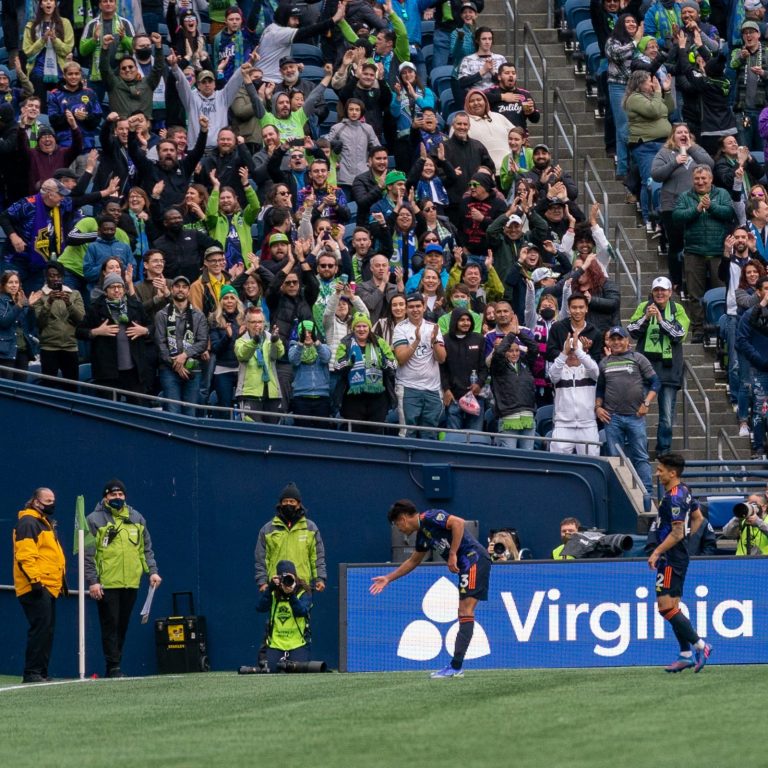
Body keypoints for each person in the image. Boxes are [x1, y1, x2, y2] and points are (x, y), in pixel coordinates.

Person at [370, 499, 492, 678]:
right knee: (464, 611)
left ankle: (456, 667)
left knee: (466, 611)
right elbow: (413, 561)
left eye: (397, 525)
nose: (399, 529)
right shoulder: (423, 535)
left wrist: (452, 554)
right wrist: (388, 578)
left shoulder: (431, 516)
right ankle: (456, 666)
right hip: (468, 563)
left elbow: (458, 523)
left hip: (473, 559)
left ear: (403, 519)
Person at [84, 478, 161, 678]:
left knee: (122, 625)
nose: (117, 498)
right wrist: (93, 581)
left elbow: (146, 549)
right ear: (105, 497)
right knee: (110, 625)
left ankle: (115, 664)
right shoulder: (93, 519)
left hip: (130, 582)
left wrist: (152, 571)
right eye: (113, 495)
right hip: (107, 583)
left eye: (120, 495)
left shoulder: (137, 518)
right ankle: (113, 667)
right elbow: (87, 554)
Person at [648, 453, 712, 673]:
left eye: (660, 470)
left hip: (670, 558)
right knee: (673, 608)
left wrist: (658, 551)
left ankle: (700, 646)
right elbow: (698, 518)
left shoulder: (674, 497)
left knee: (665, 608)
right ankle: (685, 655)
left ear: (672, 473)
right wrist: (686, 542)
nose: (657, 473)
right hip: (677, 555)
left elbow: (676, 532)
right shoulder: (684, 490)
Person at [627, 276, 690, 456]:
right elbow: (631, 331)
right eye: (656, 290)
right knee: (638, 412)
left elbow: (679, 334)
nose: (660, 293)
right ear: (652, 292)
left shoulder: (678, 309)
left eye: (663, 290)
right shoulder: (643, 307)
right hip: (645, 369)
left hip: (669, 370)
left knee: (667, 418)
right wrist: (647, 317)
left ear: (670, 293)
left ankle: (663, 450)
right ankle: (639, 449)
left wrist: (661, 321)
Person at [672, 164, 735, 342]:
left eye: (703, 178)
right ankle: (698, 329)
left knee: (721, 292)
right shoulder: (685, 196)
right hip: (694, 251)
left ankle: (719, 327)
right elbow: (677, 217)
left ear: (711, 179)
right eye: (697, 179)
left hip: (718, 252)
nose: (700, 182)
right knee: (694, 294)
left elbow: (729, 212)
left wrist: (712, 206)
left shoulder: (722, 194)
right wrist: (697, 209)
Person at [596, 326, 661, 494]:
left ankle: (647, 494)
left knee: (641, 456)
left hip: (635, 416)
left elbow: (656, 382)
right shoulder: (604, 363)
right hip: (612, 418)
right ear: (608, 342)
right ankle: (620, 493)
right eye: (613, 339)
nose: (617, 342)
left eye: (620, 339)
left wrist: (646, 403)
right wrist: (597, 407)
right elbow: (600, 389)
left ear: (627, 341)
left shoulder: (638, 358)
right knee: (615, 459)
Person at [13, 486, 65, 683]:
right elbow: (25, 556)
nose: (52, 504)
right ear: (36, 502)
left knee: (47, 629)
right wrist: (35, 582)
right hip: (36, 585)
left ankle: (40, 671)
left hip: (49, 586)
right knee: (40, 628)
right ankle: (32, 672)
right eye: (48, 501)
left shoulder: (44, 523)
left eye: (53, 500)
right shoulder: (28, 522)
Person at [77, 272, 151, 401]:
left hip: (134, 371)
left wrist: (145, 330)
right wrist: (96, 332)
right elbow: (79, 332)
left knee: (137, 409)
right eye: (112, 287)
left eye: (119, 286)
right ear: (105, 291)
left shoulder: (135, 306)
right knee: (109, 412)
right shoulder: (95, 309)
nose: (117, 290)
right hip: (107, 372)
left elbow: (152, 326)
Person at [254, 482, 327, 593]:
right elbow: (261, 558)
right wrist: (262, 582)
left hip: (302, 586)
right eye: (285, 501)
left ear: (298, 504)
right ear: (280, 504)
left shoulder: (310, 528)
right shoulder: (267, 529)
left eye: (292, 501)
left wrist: (320, 578)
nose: (288, 504)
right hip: (276, 586)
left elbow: (317, 556)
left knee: (302, 611)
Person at [392, 292, 447, 437]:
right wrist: (416, 341)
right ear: (406, 309)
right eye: (411, 307)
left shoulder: (433, 327)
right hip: (408, 388)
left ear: (424, 307)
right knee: (407, 433)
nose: (415, 309)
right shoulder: (400, 328)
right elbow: (401, 358)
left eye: (418, 306)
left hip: (433, 389)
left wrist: (434, 341)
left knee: (429, 434)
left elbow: (441, 359)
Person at [154, 274, 209, 416]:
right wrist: (176, 364)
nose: (181, 290)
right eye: (177, 286)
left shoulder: (199, 315)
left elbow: (202, 342)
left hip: (193, 368)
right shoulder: (161, 314)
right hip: (168, 369)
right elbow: (160, 344)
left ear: (189, 291)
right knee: (173, 411)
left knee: (190, 411)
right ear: (171, 290)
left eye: (184, 287)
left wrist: (184, 356)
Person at [31, 261, 85, 385]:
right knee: (49, 387)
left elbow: (81, 320)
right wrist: (48, 302)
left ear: (62, 277)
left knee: (71, 387)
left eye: (58, 276)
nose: (55, 279)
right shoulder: (40, 296)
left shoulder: (74, 294)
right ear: (46, 276)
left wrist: (69, 304)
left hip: (70, 346)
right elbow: (39, 322)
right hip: (49, 347)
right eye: (52, 275)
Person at [256, 558, 313, 672]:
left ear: (295, 577)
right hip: (276, 644)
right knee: (271, 672)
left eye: (290, 577)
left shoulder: (304, 592)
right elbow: (260, 608)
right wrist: (270, 588)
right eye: (284, 578)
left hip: (297, 643)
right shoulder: (273, 592)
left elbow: (301, 612)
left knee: (298, 672)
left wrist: (291, 595)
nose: (287, 581)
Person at [549, 334, 601, 455]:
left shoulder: (589, 369)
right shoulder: (558, 369)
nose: (573, 355)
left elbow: (595, 371)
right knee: (558, 464)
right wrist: (563, 353)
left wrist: (578, 349)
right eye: (570, 352)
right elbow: (552, 375)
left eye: (575, 352)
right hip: (563, 425)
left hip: (587, 424)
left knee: (590, 463)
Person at [736, 275, 768, 459]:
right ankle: (759, 447)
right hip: (760, 368)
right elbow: (742, 340)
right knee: (760, 409)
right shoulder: (750, 315)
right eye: (766, 288)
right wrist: (758, 359)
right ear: (758, 291)